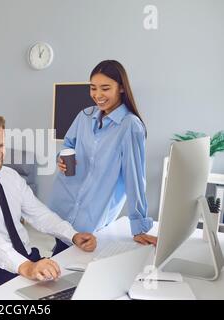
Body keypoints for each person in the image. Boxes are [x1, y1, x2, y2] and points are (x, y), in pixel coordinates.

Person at [0, 113, 96, 299]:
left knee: (79, 290)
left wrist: (72, 235)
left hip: (28, 258)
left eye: (0, 145)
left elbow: (39, 214)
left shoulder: (11, 177)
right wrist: (25, 267)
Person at [49, 60, 157, 256]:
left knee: (75, 268)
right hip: (64, 206)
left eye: (105, 88)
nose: (97, 95)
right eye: (93, 88)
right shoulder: (84, 116)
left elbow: (135, 177)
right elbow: (68, 145)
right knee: (59, 260)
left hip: (92, 218)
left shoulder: (130, 125)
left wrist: (139, 226)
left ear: (121, 88)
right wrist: (61, 159)